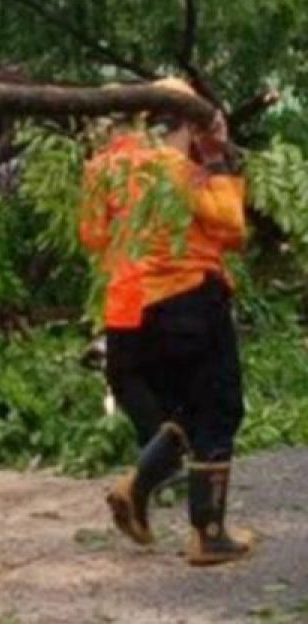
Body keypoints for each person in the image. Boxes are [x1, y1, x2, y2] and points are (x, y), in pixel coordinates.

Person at [79, 77, 250, 565]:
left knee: (183, 411)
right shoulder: (178, 168)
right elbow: (233, 227)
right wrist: (217, 161)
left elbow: (93, 236)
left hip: (130, 311)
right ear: (191, 126)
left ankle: (137, 489)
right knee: (218, 408)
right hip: (190, 300)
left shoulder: (104, 167)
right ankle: (208, 534)